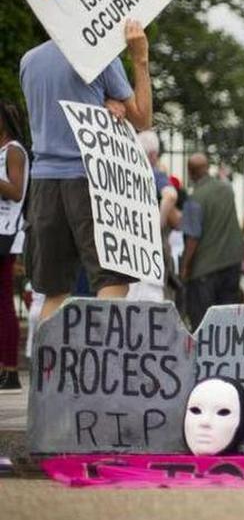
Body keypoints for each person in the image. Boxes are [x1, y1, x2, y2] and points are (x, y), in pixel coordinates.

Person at [20, 20, 152, 320]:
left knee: (53, 293)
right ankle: (108, 366)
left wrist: (101, 100)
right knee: (112, 282)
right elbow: (142, 118)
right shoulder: (100, 58)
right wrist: (140, 59)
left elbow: (60, 104)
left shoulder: (29, 60)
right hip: (91, 178)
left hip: (43, 183)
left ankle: (49, 366)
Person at [181, 153, 244, 329]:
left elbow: (193, 237)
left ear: (191, 172)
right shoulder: (227, 190)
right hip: (232, 262)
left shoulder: (194, 199)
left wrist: (185, 267)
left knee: (204, 324)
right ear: (207, 168)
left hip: (205, 270)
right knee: (227, 321)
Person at [127, 130, 181, 302]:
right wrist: (157, 224)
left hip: (127, 245)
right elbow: (171, 195)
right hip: (153, 247)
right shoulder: (153, 173)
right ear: (153, 154)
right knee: (154, 299)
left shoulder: (125, 173)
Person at [0, 103, 27, 391]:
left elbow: (16, 191)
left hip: (5, 234)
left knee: (5, 304)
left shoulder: (15, 151)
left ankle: (10, 370)